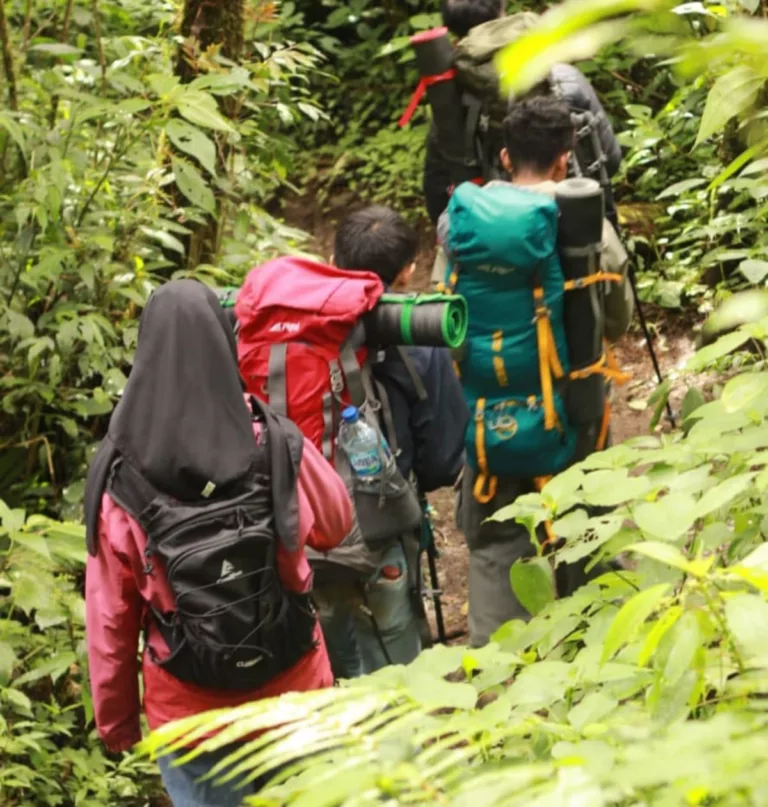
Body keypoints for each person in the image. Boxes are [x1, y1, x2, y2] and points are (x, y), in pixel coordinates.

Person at [83, 280, 352, 806]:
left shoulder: (121, 482)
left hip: (191, 714)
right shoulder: (272, 443)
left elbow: (111, 620)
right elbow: (336, 523)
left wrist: (117, 724)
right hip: (293, 688)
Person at [438, 97, 633, 647]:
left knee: (497, 549)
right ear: (564, 160)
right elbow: (613, 321)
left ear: (503, 155)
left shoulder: (461, 222)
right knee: (585, 537)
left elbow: (447, 321)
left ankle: (501, 690)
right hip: (575, 413)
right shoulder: (584, 223)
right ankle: (596, 658)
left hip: (489, 420)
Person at [313, 206, 469, 678]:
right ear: (408, 271)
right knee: (397, 673)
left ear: (333, 257)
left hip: (305, 530)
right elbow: (444, 463)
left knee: (333, 662)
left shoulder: (297, 332)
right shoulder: (420, 341)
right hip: (382, 533)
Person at [424, 0, 623, 229]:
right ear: (503, 10)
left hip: (494, 238)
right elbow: (611, 160)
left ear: (451, 31)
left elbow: (437, 190)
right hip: (573, 227)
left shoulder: (451, 99)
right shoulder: (562, 77)